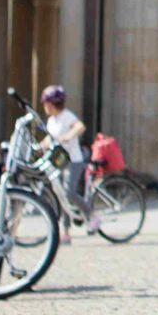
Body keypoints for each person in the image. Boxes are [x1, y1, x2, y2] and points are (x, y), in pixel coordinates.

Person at [40, 87, 97, 238]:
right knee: (61, 195)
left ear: (52, 104)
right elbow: (49, 138)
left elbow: (80, 127)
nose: (44, 106)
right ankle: (65, 232)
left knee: (69, 193)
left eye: (45, 103)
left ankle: (92, 215)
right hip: (59, 161)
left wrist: (69, 135)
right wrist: (39, 147)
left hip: (73, 160)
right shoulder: (51, 120)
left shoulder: (67, 116)